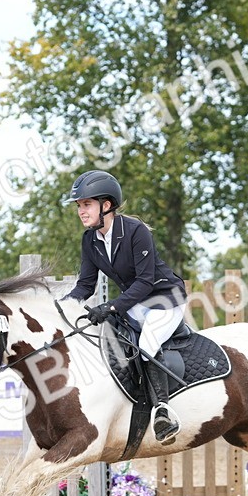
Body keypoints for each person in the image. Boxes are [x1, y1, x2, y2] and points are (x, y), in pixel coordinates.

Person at [62, 170, 187, 444]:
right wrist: (62, 309)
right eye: (79, 206)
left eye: (86, 204)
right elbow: (85, 285)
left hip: (164, 299)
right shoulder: (90, 240)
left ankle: (163, 410)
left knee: (147, 343)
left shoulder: (135, 231)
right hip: (135, 302)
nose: (81, 212)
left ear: (106, 206)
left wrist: (111, 307)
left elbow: (145, 281)